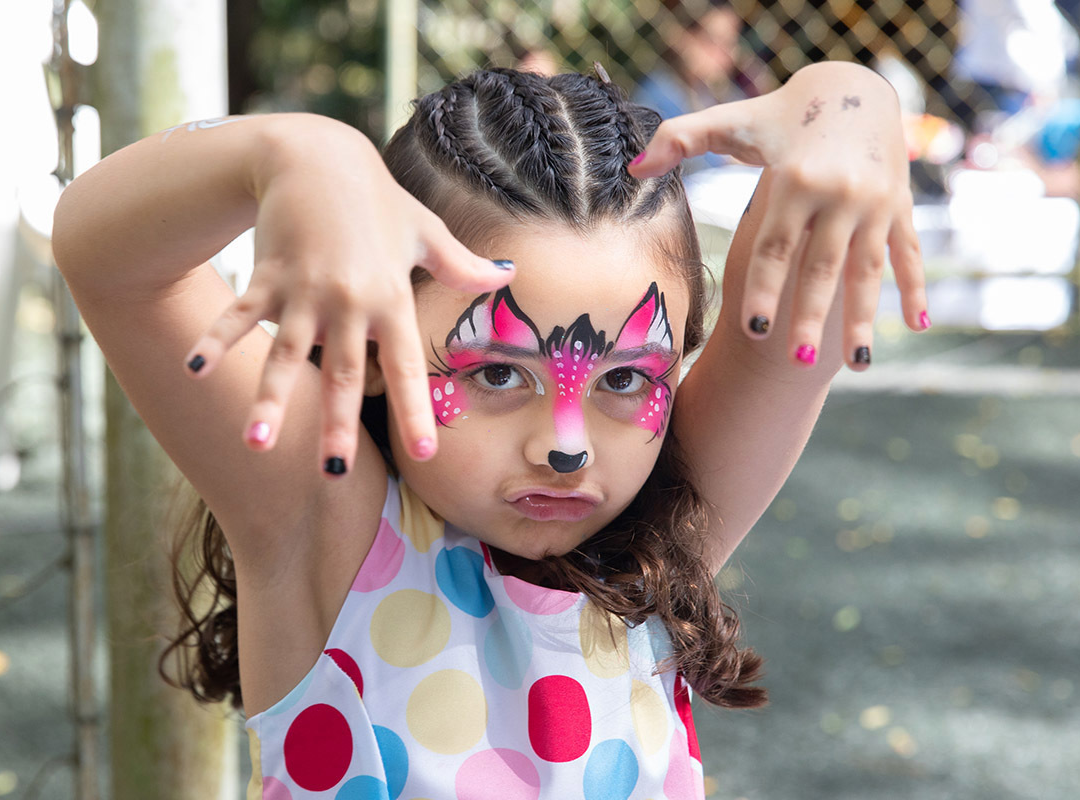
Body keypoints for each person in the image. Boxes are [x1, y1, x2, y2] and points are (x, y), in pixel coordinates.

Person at [52, 61, 926, 797]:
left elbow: (792, 323)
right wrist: (289, 150)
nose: (568, 443)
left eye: (626, 378)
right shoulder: (327, 525)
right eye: (497, 373)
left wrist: (853, 99)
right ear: (372, 331)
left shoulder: (666, 529)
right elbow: (111, 261)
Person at [633, 0, 772, 173]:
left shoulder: (713, 91)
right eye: (714, 41)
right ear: (682, 36)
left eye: (731, 43)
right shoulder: (657, 95)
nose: (727, 54)